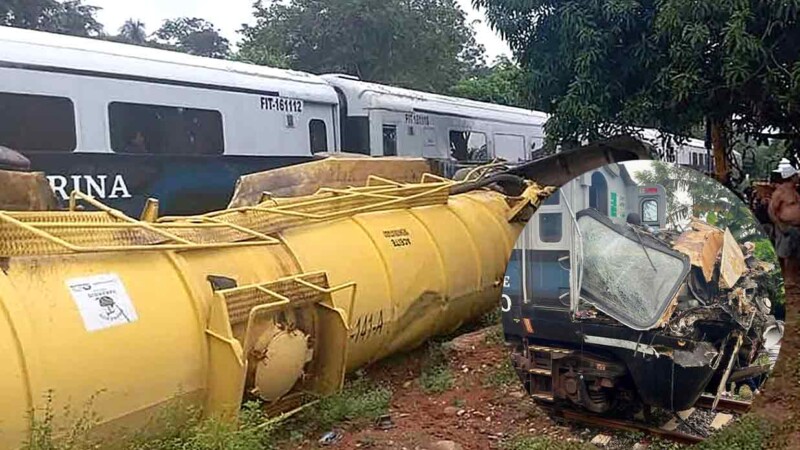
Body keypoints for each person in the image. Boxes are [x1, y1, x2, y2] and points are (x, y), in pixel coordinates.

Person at [768, 158, 800, 258]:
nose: (798, 177)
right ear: (791, 177)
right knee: (786, 258)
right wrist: (780, 225)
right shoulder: (780, 192)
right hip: (785, 229)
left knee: (794, 260)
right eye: (796, 175)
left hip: (796, 229)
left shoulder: (795, 191)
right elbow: (771, 210)